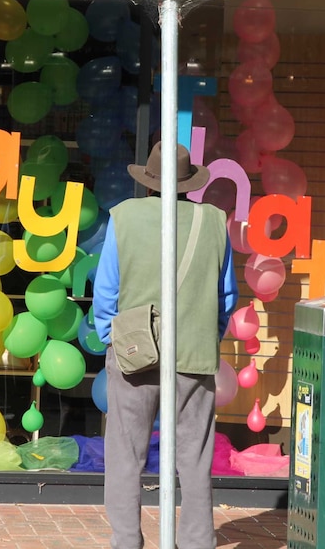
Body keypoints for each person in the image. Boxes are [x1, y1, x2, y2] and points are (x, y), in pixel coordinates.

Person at [92, 142, 239, 549]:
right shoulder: (213, 222)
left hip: (133, 353)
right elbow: (227, 297)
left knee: (125, 454)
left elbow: (106, 292)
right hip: (193, 353)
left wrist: (115, 339)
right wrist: (205, 333)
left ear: (149, 181)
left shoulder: (124, 217)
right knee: (194, 457)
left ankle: (126, 541)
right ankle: (196, 542)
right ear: (189, 183)